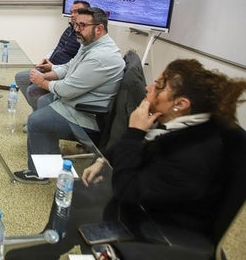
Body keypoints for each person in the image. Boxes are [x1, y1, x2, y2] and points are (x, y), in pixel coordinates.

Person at [81, 59, 246, 236]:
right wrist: (103, 160)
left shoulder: (193, 155)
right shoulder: (175, 121)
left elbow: (126, 189)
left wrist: (134, 132)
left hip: (159, 229)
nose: (148, 89)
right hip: (138, 203)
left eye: (158, 86)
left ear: (180, 104)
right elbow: (137, 146)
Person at [14, 7, 125, 184]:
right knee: (42, 99)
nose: (77, 29)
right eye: (76, 25)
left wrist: (43, 82)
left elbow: (67, 89)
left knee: (37, 120)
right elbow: (69, 67)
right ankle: (49, 155)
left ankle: (38, 174)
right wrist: (46, 76)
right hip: (75, 102)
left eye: (82, 25)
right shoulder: (90, 44)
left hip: (86, 116)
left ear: (99, 28)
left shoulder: (101, 56)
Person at [15, 0, 90, 112]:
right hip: (49, 66)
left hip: (60, 72)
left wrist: (52, 68)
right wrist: (46, 60)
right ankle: (37, 111)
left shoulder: (85, 36)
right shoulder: (69, 29)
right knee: (21, 77)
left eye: (77, 12)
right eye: (71, 12)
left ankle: (39, 116)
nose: (72, 15)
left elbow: (75, 63)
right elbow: (57, 47)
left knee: (32, 89)